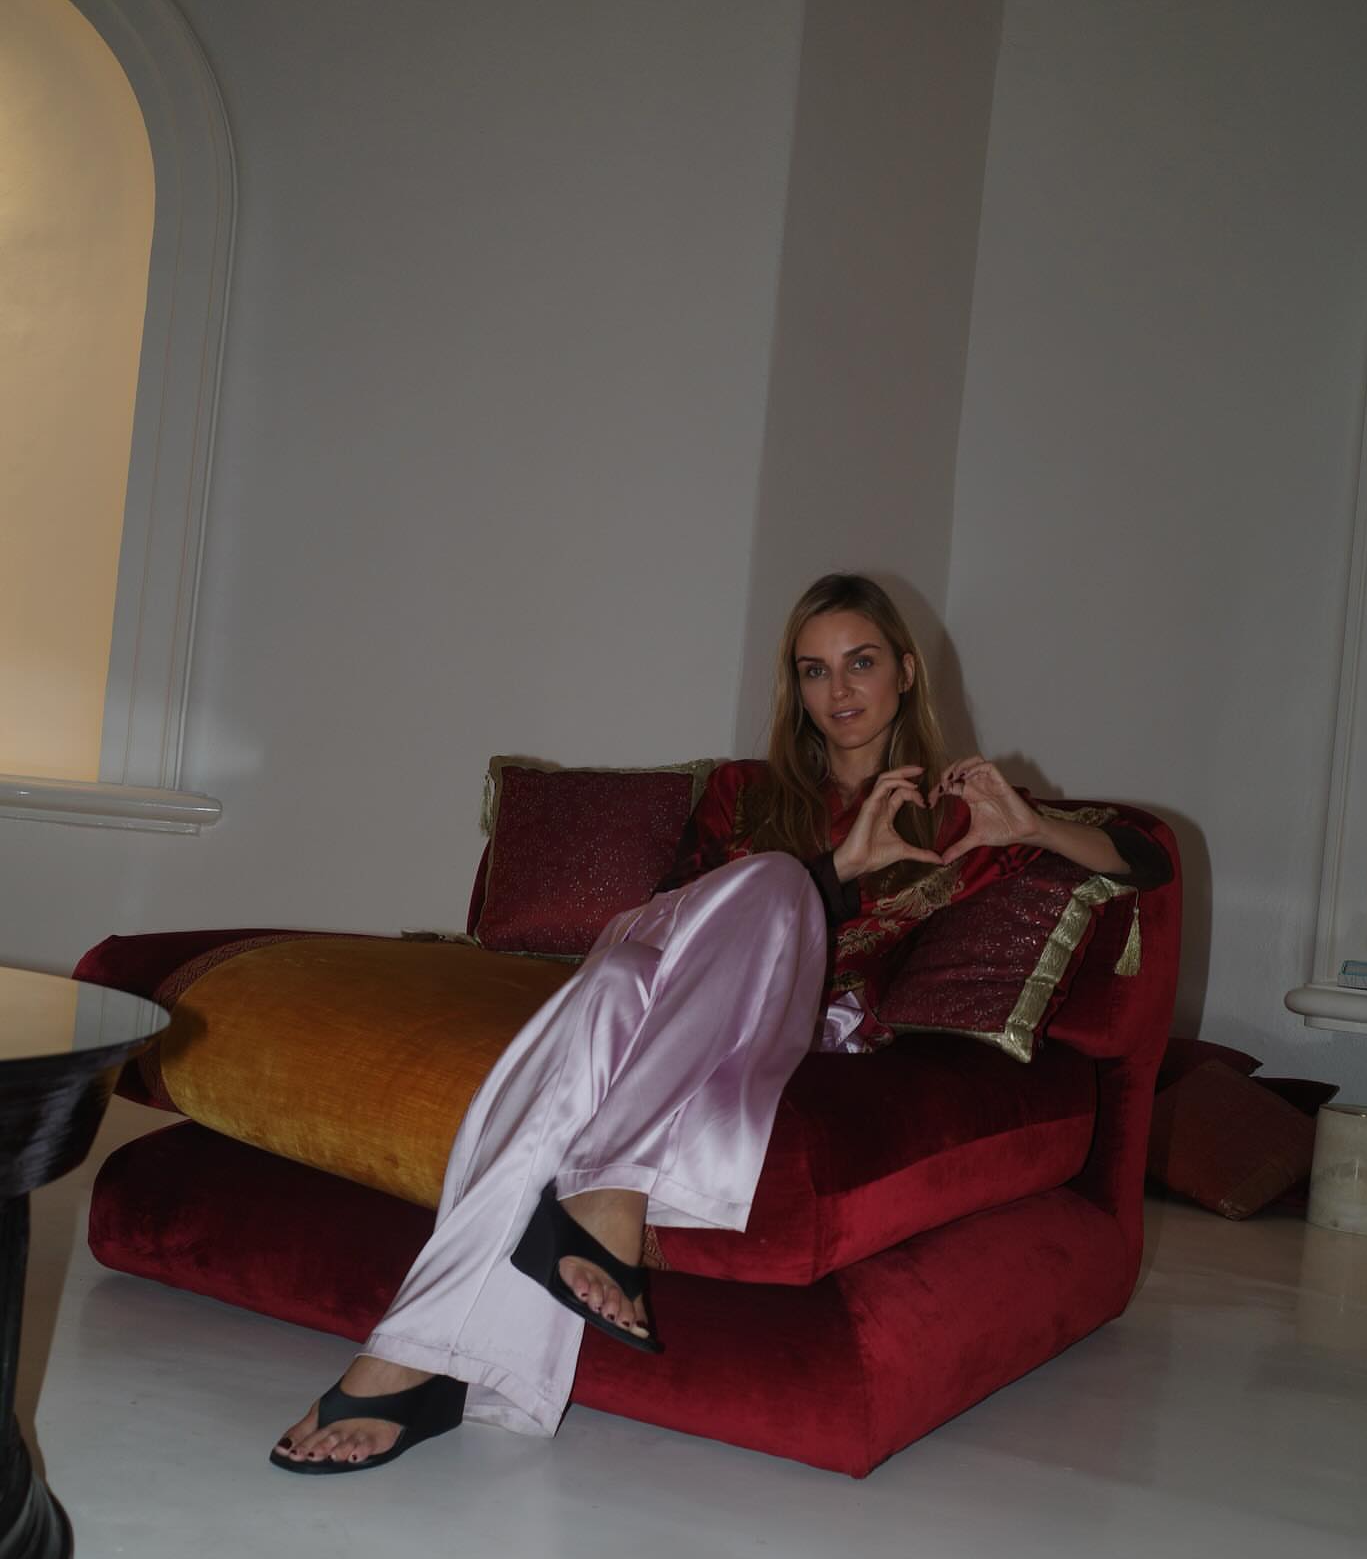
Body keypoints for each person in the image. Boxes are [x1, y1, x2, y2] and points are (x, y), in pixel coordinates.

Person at [271, 574, 1170, 1474]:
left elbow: (1143, 861)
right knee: (665, 946)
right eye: (814, 671)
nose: (839, 690)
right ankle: (592, 1205)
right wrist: (833, 870)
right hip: (667, 980)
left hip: (790, 1022)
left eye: (860, 663)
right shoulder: (746, 791)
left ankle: (405, 1360)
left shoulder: (958, 816)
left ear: (905, 672)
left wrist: (1039, 829)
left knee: (667, 955)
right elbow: (673, 919)